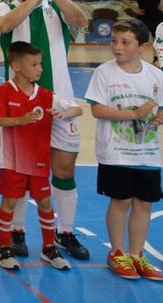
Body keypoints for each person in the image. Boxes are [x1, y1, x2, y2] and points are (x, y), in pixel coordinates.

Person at [0, 0, 90, 260]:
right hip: (21, 106)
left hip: (62, 102)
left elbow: (80, 19)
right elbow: (4, 26)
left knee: (64, 169)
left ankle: (66, 231)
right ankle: (18, 231)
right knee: (20, 172)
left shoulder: (54, 8)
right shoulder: (3, 7)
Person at [0, 40, 79, 271]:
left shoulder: (47, 95)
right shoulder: (4, 91)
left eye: (41, 64)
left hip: (38, 161)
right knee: (9, 201)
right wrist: (19, 120)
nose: (40, 69)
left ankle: (49, 247)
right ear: (17, 66)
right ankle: (3, 247)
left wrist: (66, 112)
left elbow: (77, 108)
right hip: (12, 160)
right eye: (34, 64)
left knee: (44, 202)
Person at [84, 20, 163, 280]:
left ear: (143, 46)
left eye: (125, 42)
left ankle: (136, 254)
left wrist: (159, 115)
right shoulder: (104, 73)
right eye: (114, 41)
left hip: (148, 153)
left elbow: (160, 107)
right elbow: (96, 109)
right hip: (115, 152)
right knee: (121, 201)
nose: (117, 47)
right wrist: (133, 114)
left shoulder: (156, 76)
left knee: (143, 204)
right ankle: (117, 252)